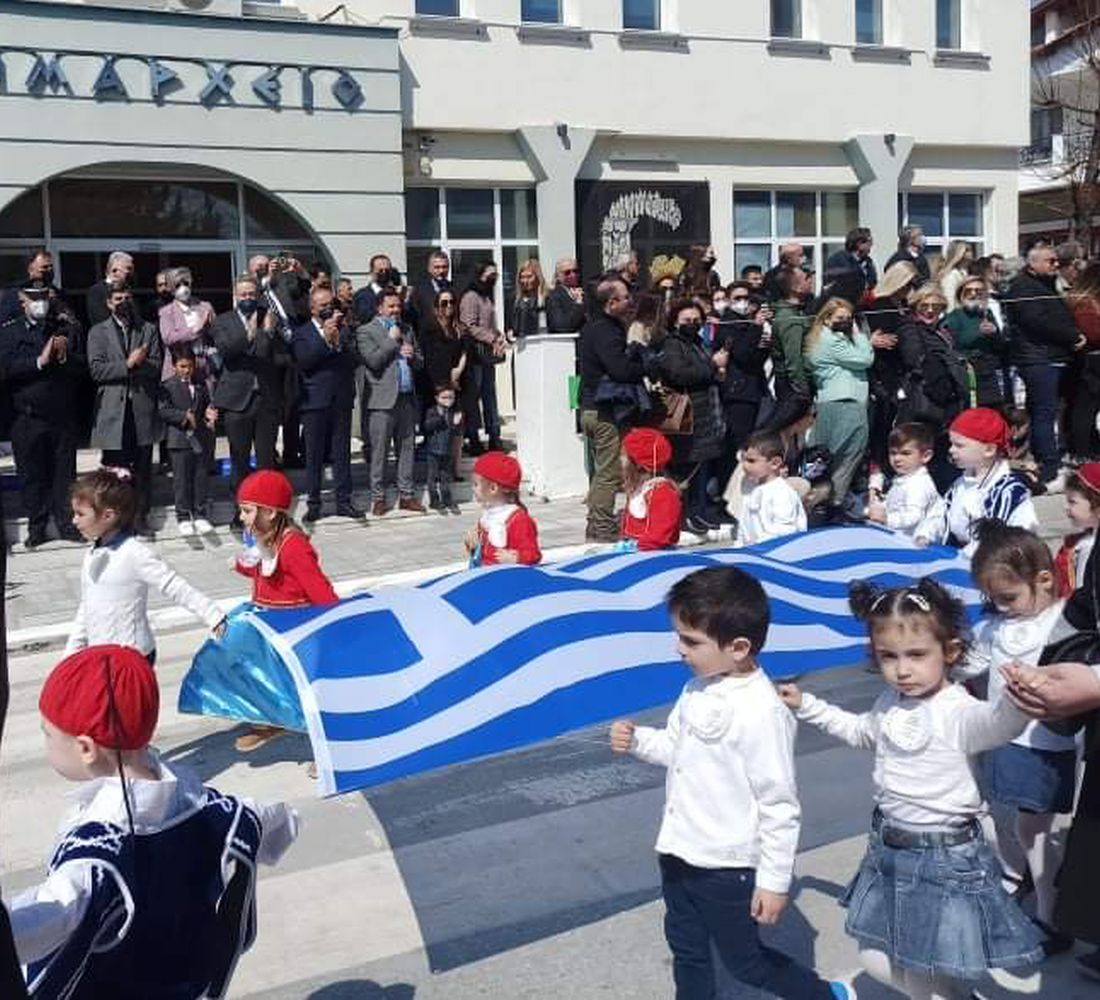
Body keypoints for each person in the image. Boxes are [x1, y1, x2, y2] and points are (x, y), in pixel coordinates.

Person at [778, 578, 1043, 999]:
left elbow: (995, 724)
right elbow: (861, 732)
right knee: (878, 957)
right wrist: (807, 705)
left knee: (920, 967)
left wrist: (1016, 700)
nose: (902, 669)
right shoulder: (890, 701)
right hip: (889, 848)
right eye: (888, 657)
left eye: (917, 655)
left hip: (943, 856)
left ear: (950, 652)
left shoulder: (957, 710)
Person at [611, 566, 856, 1000]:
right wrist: (637, 741)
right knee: (687, 950)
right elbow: (676, 748)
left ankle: (826, 995)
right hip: (678, 851)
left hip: (727, 867)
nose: (679, 649)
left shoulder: (763, 712)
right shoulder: (696, 689)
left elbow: (779, 804)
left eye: (691, 641)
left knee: (746, 963)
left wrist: (774, 881)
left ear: (739, 647)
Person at [8, 644, 298, 997]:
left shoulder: (97, 859)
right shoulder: (208, 806)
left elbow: (53, 915)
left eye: (48, 734)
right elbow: (275, 820)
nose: (46, 743)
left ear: (86, 748)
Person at [959, 522, 1077, 956]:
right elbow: (971, 661)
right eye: (994, 599)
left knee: (1034, 830)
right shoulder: (998, 626)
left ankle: (1052, 915)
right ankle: (1028, 882)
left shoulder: (1061, 623)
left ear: (1043, 579)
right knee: (1003, 816)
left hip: (1045, 746)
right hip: (1004, 739)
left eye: (1009, 597)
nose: (1002, 607)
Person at [65, 468, 224, 660]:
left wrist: (213, 615)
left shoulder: (134, 553)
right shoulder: (91, 556)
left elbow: (173, 585)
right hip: (100, 655)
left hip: (133, 656)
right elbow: (88, 605)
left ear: (108, 516)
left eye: (80, 514)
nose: (74, 520)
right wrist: (71, 653)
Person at [232, 469, 339, 751]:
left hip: (295, 632)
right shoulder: (265, 540)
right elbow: (259, 571)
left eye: (246, 511)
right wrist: (244, 561)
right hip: (269, 627)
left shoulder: (294, 548)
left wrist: (335, 626)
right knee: (261, 676)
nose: (242, 517)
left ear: (268, 512)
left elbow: (321, 592)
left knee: (307, 694)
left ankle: (331, 749)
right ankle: (270, 721)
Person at [0, 280, 86, 547]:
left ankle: (65, 524)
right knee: (32, 474)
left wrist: (64, 357)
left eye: (44, 297)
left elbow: (83, 367)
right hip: (27, 416)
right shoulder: (9, 333)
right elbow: (6, 368)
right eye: (34, 298)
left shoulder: (62, 328)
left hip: (61, 415)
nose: (40, 302)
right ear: (22, 301)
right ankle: (37, 526)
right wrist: (39, 361)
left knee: (64, 474)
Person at [1006, 243, 1086, 490]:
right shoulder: (1022, 286)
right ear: (1033, 264)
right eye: (1050, 261)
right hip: (1038, 358)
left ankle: (1045, 460)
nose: (1055, 265)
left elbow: (1058, 315)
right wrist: (1071, 336)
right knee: (1044, 412)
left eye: (1056, 261)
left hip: (1053, 356)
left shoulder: (1046, 284)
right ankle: (1049, 466)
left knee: (1044, 411)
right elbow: (1037, 321)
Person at [211, 274, 288, 528]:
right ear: (236, 296)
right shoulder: (223, 321)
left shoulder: (270, 316)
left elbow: (271, 355)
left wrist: (266, 332)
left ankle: (268, 511)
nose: (247, 299)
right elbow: (228, 351)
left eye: (251, 295)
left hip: (265, 398)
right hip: (236, 400)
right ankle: (240, 511)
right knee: (240, 460)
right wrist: (253, 333)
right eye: (243, 295)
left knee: (266, 460)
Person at [87, 283, 162, 533]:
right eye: (118, 298)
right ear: (109, 303)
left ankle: (140, 517)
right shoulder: (97, 332)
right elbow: (97, 370)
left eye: (127, 297)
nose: (124, 302)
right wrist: (128, 364)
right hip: (112, 410)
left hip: (140, 407)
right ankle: (114, 519)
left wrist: (139, 365)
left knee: (142, 468)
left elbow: (155, 364)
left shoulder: (148, 329)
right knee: (113, 470)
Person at [651, 299, 728, 535]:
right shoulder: (673, 345)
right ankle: (684, 516)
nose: (692, 324)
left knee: (702, 468)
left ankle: (698, 512)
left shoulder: (699, 343)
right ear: (675, 322)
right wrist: (712, 366)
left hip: (707, 414)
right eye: (687, 321)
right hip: (688, 416)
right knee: (686, 469)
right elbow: (679, 374)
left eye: (696, 320)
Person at [578, 278, 647, 542]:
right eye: (626, 297)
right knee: (608, 473)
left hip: (593, 409)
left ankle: (596, 525)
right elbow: (619, 369)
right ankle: (603, 527)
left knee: (602, 471)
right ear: (611, 303)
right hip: (603, 410)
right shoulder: (605, 331)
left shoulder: (597, 328)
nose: (630, 301)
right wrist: (644, 365)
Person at [290, 286, 362, 523]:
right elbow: (305, 361)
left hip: (340, 399)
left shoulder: (344, 329)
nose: (328, 308)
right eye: (323, 305)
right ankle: (314, 503)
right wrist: (327, 343)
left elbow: (354, 360)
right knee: (314, 455)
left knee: (342, 452)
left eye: (330, 303)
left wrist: (338, 341)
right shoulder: (301, 332)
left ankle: (344, 501)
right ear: (312, 308)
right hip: (314, 401)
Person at [358, 288, 426, 516]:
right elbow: (373, 361)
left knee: (407, 448)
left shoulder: (407, 329)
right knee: (379, 451)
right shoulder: (366, 331)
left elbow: (420, 362)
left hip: (406, 397)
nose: (396, 310)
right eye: (391, 306)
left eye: (398, 306)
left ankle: (406, 495)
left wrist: (413, 356)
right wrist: (391, 340)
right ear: (380, 308)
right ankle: (378, 498)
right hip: (381, 400)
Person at [804, 297, 873, 518]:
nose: (846, 322)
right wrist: (859, 334)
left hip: (831, 401)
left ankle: (827, 502)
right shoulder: (832, 341)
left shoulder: (820, 338)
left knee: (829, 458)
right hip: (845, 402)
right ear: (826, 319)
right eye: (840, 318)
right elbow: (865, 359)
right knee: (847, 454)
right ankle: (832, 503)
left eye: (849, 318)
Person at [896, 284, 970, 491]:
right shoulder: (910, 328)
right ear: (915, 306)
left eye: (935, 306)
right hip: (926, 402)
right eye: (924, 305)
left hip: (947, 404)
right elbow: (914, 359)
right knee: (922, 454)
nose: (930, 311)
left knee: (942, 455)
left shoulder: (942, 331)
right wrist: (938, 378)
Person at [942, 407, 1038, 556]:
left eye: (959, 445)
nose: (951, 450)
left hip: (1000, 564)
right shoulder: (959, 484)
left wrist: (961, 558)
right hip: (964, 560)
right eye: (951, 444)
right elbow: (943, 520)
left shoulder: (1008, 491)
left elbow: (994, 539)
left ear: (989, 450)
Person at [712, 283, 770, 490]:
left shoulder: (748, 323)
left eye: (746, 297)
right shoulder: (728, 323)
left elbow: (754, 360)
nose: (743, 302)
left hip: (753, 390)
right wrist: (755, 327)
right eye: (737, 297)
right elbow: (742, 354)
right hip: (736, 393)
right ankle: (725, 491)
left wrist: (763, 343)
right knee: (736, 445)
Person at [865, 261, 918, 474]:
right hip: (883, 375)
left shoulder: (899, 305)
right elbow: (882, 339)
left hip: (893, 373)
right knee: (882, 428)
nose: (910, 289)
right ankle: (878, 472)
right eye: (908, 284)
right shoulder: (881, 305)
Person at [158, 345, 216, 537]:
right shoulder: (167, 386)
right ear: (174, 366)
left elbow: (207, 404)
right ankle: (183, 515)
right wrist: (183, 416)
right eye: (182, 366)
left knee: (200, 476)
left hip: (199, 438)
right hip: (179, 439)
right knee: (181, 480)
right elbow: (163, 410)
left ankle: (200, 513)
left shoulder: (200, 385)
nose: (186, 370)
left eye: (189, 366)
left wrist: (209, 413)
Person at [421, 289, 474, 479]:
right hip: (438, 386)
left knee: (458, 429)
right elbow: (431, 359)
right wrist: (447, 382)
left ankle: (455, 470)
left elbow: (466, 352)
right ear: (436, 307)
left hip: (459, 384)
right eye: (444, 303)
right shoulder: (430, 328)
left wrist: (458, 371)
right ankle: (436, 471)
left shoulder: (460, 328)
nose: (449, 306)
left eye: (451, 302)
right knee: (439, 428)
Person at [866, 422, 944, 546]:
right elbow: (894, 503)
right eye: (893, 453)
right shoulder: (904, 478)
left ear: (926, 456)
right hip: (897, 538)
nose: (897, 459)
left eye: (905, 453)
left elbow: (913, 517)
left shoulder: (919, 484)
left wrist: (886, 519)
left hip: (914, 545)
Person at [459, 261, 508, 454]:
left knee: (490, 396)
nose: (493, 278)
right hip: (475, 354)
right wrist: (491, 338)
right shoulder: (471, 296)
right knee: (473, 396)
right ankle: (473, 437)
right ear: (480, 274)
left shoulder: (487, 296)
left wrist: (499, 336)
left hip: (487, 354)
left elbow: (489, 324)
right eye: (490, 274)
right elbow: (469, 325)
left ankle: (494, 435)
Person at [761, 267, 813, 436]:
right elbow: (793, 358)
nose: (811, 281)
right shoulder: (790, 319)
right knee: (774, 431)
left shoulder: (797, 312)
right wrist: (802, 390)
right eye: (807, 278)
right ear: (795, 288)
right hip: (793, 387)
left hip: (793, 384)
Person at [942, 275, 1009, 408]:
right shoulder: (954, 317)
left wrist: (994, 333)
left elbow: (1000, 346)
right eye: (969, 291)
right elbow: (955, 344)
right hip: (968, 372)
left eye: (978, 291)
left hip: (989, 371)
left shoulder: (986, 314)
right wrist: (978, 333)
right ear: (961, 294)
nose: (973, 294)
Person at [464, 452, 541, 566]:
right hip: (487, 574)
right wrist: (473, 544)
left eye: (476, 484)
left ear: (493, 488)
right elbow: (482, 551)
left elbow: (533, 554)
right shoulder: (487, 517)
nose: (472, 488)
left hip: (507, 579)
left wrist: (517, 558)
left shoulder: (518, 520)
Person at [736, 429, 806, 546]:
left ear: (775, 463)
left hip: (776, 556)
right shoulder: (753, 490)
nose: (745, 465)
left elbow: (787, 531)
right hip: (753, 554)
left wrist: (759, 546)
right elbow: (744, 526)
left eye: (751, 461)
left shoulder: (782, 493)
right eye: (743, 459)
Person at [618, 427, 681, 552]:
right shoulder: (639, 489)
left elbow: (660, 533)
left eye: (624, 456)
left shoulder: (663, 493)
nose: (620, 460)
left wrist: (638, 549)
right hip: (635, 549)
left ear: (638, 464)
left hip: (654, 554)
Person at [1066, 260, 1100, 462]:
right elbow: (1093, 333)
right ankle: (1082, 452)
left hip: (1091, 359)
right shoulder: (1085, 305)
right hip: (1091, 360)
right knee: (1085, 408)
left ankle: (1088, 447)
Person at [157, 266, 215, 383]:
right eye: (178, 285)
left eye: (186, 283)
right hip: (177, 369)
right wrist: (195, 330)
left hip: (203, 369)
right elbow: (168, 338)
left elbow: (215, 333)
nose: (183, 288)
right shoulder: (166, 312)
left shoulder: (205, 307)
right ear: (171, 288)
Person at [1055, 463, 1100, 597]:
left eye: (1072, 502)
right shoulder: (1080, 540)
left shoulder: (1088, 547)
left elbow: (1085, 594)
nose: (1065, 507)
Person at [423, 384, 463, 514]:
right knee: (432, 476)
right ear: (437, 398)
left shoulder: (454, 412)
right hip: (434, 449)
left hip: (447, 449)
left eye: (451, 397)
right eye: (444, 397)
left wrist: (456, 424)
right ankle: (434, 500)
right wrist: (441, 418)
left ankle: (447, 499)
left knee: (446, 476)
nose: (448, 400)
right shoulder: (432, 411)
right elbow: (428, 426)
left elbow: (457, 432)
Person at [825, 228, 877, 303]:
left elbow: (873, 283)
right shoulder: (838, 261)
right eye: (869, 242)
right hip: (841, 307)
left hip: (863, 307)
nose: (871, 245)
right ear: (859, 244)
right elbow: (834, 287)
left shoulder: (868, 262)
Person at [84, 251, 134, 328]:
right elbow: (99, 320)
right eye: (128, 269)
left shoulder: (127, 290)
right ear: (114, 271)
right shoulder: (97, 291)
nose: (131, 273)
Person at [408, 249, 452, 331]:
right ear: (429, 269)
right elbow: (412, 317)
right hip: (427, 337)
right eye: (437, 267)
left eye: (444, 267)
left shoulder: (454, 288)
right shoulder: (419, 291)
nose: (441, 271)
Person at [545, 257, 587, 335]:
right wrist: (578, 304)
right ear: (558, 276)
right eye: (567, 273)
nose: (573, 275)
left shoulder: (585, 293)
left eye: (575, 271)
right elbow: (561, 327)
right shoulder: (554, 297)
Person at [352, 253, 396, 324]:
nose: (384, 273)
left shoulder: (396, 294)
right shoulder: (362, 295)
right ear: (372, 272)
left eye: (387, 270)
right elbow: (363, 318)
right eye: (380, 270)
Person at [511, 258, 546, 339]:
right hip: (521, 343)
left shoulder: (547, 297)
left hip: (543, 341)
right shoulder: (515, 300)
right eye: (522, 277)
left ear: (538, 276)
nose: (525, 281)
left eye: (529, 276)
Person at [936, 240, 975, 309]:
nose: (971, 253)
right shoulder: (951, 276)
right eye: (967, 250)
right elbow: (949, 302)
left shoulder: (966, 273)